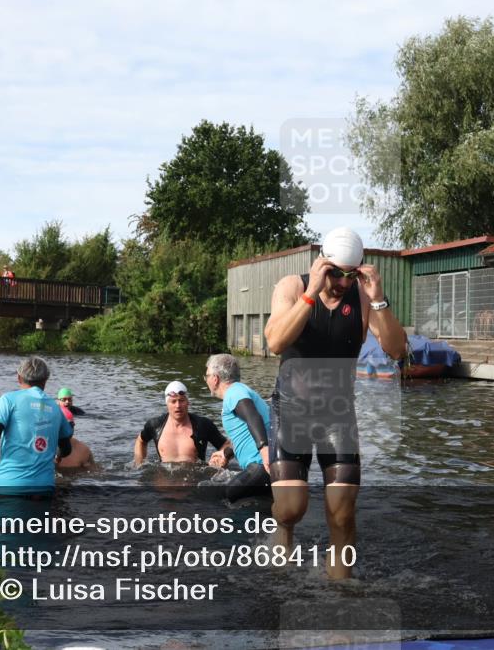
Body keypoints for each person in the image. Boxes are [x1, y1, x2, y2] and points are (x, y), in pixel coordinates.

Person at [263, 227, 406, 579]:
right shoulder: (292, 287)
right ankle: (281, 534)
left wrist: (379, 300)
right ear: (321, 264)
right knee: (291, 509)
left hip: (338, 415)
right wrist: (310, 293)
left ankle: (341, 593)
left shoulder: (362, 298)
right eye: (335, 273)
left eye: (350, 274)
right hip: (291, 412)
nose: (342, 282)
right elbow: (276, 342)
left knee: (342, 514)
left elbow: (397, 350)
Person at [0, 356, 73, 495]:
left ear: (19, 378)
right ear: (46, 380)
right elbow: (66, 448)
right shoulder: (56, 408)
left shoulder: (8, 399)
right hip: (44, 488)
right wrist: (58, 456)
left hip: (9, 486)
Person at [204, 354, 271, 502]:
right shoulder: (240, 390)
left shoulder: (234, 393)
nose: (206, 380)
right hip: (265, 466)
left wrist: (264, 450)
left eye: (207, 376)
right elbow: (246, 432)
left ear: (215, 378)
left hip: (262, 465)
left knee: (223, 498)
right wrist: (226, 454)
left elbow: (253, 417)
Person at [133, 381, 231, 467]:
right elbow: (141, 441)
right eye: (173, 401)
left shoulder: (203, 425)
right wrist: (139, 466)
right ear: (167, 404)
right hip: (164, 484)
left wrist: (223, 456)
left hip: (194, 482)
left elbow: (227, 444)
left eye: (181, 400)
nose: (178, 406)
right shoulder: (155, 425)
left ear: (188, 402)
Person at [55, 388, 94, 470]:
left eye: (69, 400)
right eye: (64, 400)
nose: (67, 402)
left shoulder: (40, 449)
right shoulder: (84, 451)